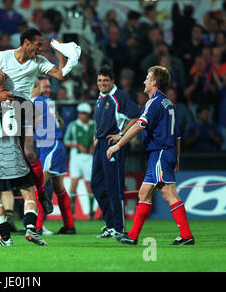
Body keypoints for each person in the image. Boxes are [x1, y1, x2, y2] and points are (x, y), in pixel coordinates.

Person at [0, 28, 80, 214]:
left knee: (29, 153)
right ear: (26, 42)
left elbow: (62, 75)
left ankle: (41, 193)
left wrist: (60, 53)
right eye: (38, 45)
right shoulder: (2, 57)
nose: (39, 49)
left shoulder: (38, 62)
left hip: (22, 107)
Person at [107, 66, 195, 245]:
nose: (144, 81)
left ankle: (186, 235)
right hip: (163, 153)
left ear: (154, 82)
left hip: (160, 152)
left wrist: (118, 145)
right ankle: (132, 236)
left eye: (147, 78)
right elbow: (177, 134)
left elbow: (139, 126)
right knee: (144, 193)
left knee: (169, 194)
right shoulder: (168, 103)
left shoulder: (153, 103)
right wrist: (176, 157)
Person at [0, 69, 48, 246]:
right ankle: (29, 227)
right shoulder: (21, 98)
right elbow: (36, 119)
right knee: (28, 194)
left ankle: (5, 238)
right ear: (5, 80)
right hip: (16, 157)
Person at [92, 65, 141, 239]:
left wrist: (121, 135)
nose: (102, 83)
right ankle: (110, 224)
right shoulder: (101, 97)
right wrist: (96, 135)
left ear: (112, 81)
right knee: (96, 185)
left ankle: (118, 228)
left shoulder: (119, 96)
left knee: (114, 188)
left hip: (113, 146)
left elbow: (136, 116)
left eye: (106, 80)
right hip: (101, 144)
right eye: (99, 80)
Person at [33, 77, 75, 234]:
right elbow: (58, 121)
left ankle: (36, 227)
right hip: (52, 145)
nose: (47, 89)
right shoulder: (48, 102)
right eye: (44, 86)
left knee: (39, 186)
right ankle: (69, 226)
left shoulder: (36, 101)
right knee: (59, 187)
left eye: (49, 87)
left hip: (50, 146)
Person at [64, 102, 96, 219]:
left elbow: (97, 138)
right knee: (74, 184)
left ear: (88, 114)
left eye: (84, 113)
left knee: (89, 185)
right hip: (76, 157)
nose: (82, 115)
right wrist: (77, 145)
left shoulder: (94, 125)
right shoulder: (73, 125)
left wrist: (93, 145)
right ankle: (71, 212)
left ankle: (91, 213)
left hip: (89, 157)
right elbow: (66, 141)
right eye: (80, 113)